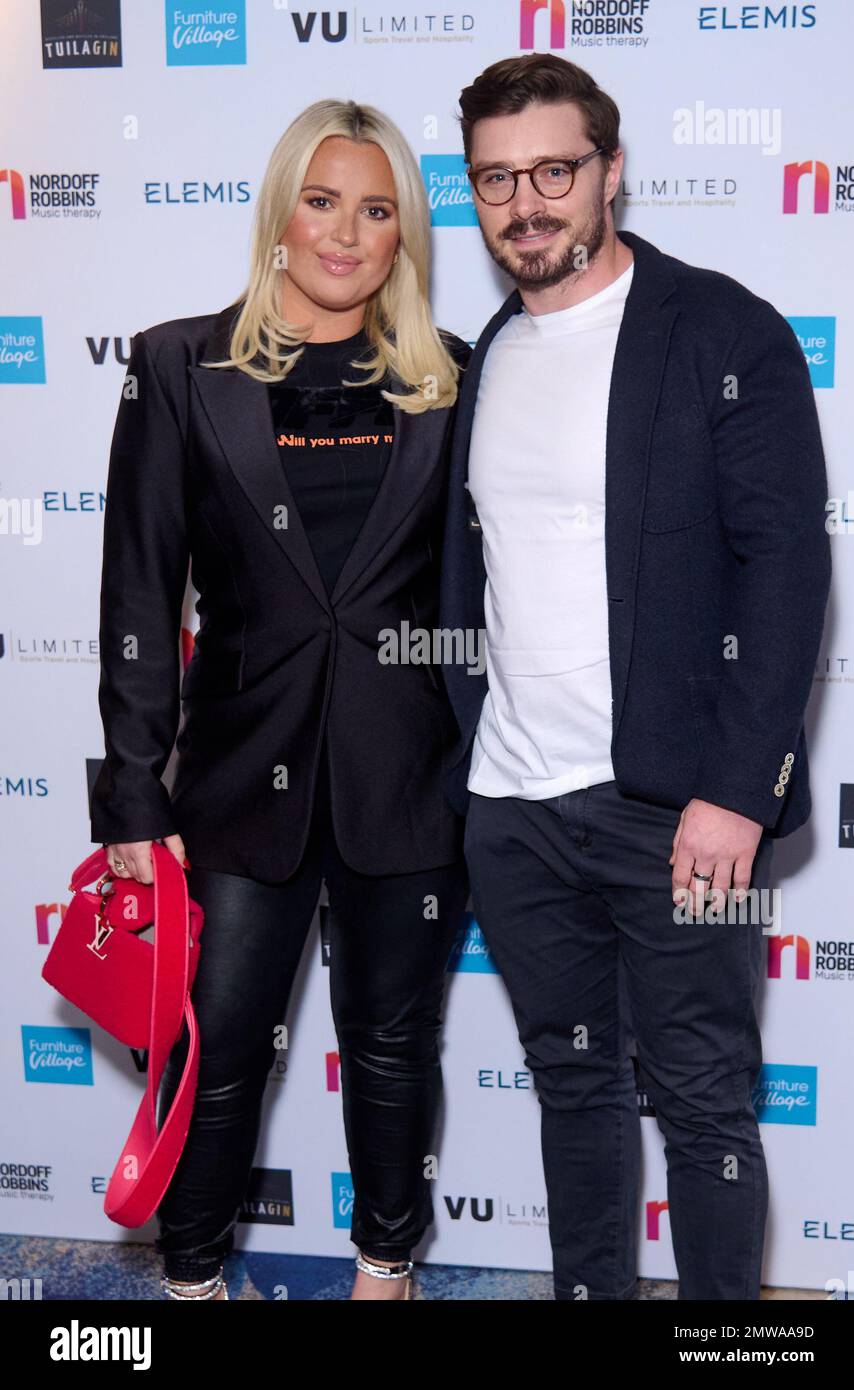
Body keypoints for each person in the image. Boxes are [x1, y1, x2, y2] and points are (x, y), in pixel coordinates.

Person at [440, 54, 831, 1301]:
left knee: (707, 1104)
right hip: (516, 810)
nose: (527, 204)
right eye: (497, 179)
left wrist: (737, 790)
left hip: (679, 812)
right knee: (575, 1092)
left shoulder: (724, 329)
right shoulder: (484, 356)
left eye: (554, 170)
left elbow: (785, 571)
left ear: (612, 171)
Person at [90, 98, 470, 1301]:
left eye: (376, 210)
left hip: (406, 775)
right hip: (231, 785)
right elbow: (141, 594)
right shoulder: (176, 366)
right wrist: (135, 804)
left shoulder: (449, 377)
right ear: (279, 213)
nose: (346, 234)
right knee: (211, 1057)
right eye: (323, 201)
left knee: (395, 1045)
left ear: (404, 231)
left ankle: (385, 1270)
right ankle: (192, 1282)